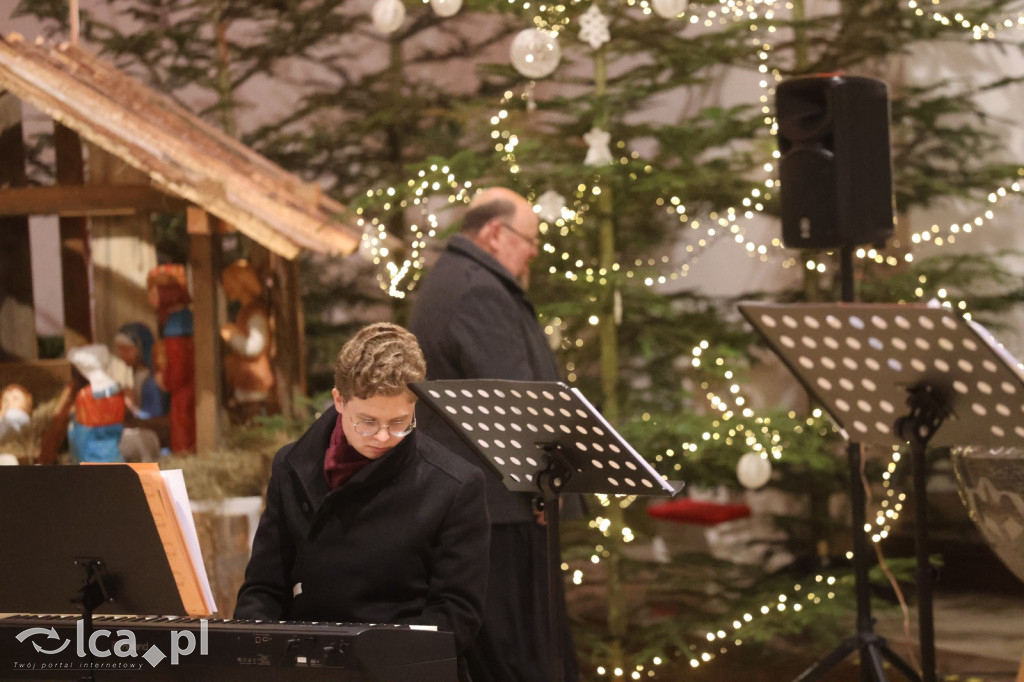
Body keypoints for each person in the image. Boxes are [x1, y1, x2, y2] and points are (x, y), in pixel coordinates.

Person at [234, 322, 489, 681]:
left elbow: (456, 614)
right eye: (367, 422)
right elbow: (263, 588)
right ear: (339, 401)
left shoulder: (453, 485)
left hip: (404, 670)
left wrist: (373, 659)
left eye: (400, 422)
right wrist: (255, 653)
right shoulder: (293, 467)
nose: (384, 437)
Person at [408, 186, 581, 681]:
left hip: (483, 502)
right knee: (521, 657)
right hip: (501, 507)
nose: (533, 252)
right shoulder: (478, 289)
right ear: (493, 232)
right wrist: (542, 485)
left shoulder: (455, 277)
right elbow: (518, 404)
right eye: (529, 239)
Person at [147, 264, 195, 453]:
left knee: (183, 434)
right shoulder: (185, 319)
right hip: (190, 390)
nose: (150, 298)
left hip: (183, 394)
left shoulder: (176, 326)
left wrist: (164, 379)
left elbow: (178, 370)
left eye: (152, 292)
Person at [220, 259, 274, 423]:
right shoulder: (245, 312)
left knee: (254, 419)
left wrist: (232, 337)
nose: (226, 288)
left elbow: (253, 348)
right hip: (246, 381)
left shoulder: (255, 313)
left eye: (230, 283)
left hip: (254, 380)